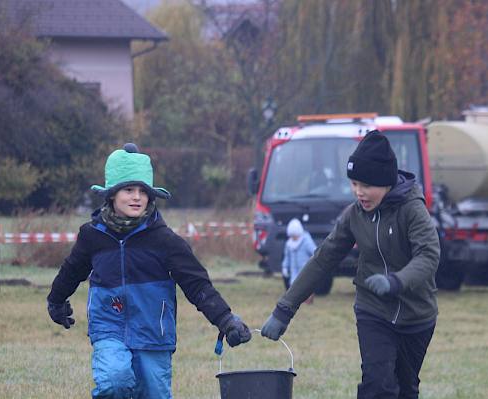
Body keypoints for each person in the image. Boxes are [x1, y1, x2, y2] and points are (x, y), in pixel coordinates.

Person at [46, 143, 252, 398]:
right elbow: (72, 270)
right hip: (108, 326)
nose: (137, 197)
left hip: (154, 332)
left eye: (143, 191)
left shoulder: (164, 240)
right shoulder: (92, 235)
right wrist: (56, 300)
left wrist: (226, 320)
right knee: (113, 381)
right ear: (111, 194)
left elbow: (197, 284)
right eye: (129, 190)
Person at [260, 131, 440, 398]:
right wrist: (284, 309)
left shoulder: (412, 210)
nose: (358, 192)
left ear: (386, 182)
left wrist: (396, 281)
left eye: (366, 185)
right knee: (378, 385)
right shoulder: (354, 215)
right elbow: (323, 259)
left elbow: (428, 255)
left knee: (406, 389)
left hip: (416, 315)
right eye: (354, 183)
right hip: (373, 311)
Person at [281, 218, 317, 293]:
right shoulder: (289, 244)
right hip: (293, 271)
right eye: (292, 236)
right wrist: (285, 267)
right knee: (293, 287)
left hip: (305, 271)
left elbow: (315, 252)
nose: (293, 238)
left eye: (295, 236)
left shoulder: (306, 241)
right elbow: (287, 257)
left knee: (305, 287)